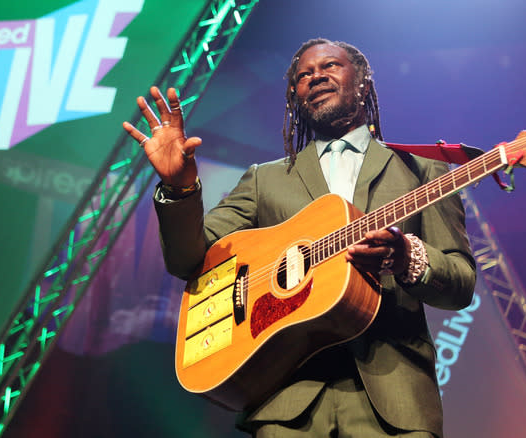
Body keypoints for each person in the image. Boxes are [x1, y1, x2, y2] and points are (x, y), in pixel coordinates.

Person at [123, 38, 476, 438]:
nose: (316, 77)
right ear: (295, 97)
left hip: (395, 404)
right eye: (303, 75)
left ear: (362, 82)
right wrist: (180, 187)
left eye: (330, 66)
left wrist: (407, 256)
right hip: (286, 404)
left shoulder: (420, 172)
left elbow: (461, 283)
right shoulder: (265, 179)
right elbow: (190, 261)